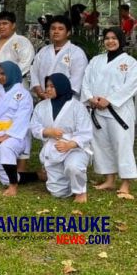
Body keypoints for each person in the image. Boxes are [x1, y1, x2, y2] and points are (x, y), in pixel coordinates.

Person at [80, 28, 137, 198]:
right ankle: (109, 179)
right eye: (107, 38)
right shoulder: (96, 60)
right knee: (101, 145)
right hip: (98, 109)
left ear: (121, 40)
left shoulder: (131, 62)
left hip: (119, 112)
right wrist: (91, 98)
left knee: (122, 145)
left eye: (114, 38)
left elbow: (131, 85)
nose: (110, 41)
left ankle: (126, 183)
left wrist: (110, 100)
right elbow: (86, 81)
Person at [31, 73, 93, 203]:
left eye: (52, 86)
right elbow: (34, 127)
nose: (48, 89)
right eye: (47, 86)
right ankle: (69, 182)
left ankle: (81, 192)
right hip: (53, 148)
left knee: (74, 166)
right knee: (57, 193)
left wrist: (70, 144)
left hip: (75, 148)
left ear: (61, 86)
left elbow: (85, 132)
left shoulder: (77, 107)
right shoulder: (41, 106)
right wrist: (47, 131)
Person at [0, 61, 35, 197]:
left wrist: (6, 136)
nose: (0, 77)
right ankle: (35, 176)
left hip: (16, 135)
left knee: (5, 148)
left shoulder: (23, 94)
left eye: (3, 74)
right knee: (4, 178)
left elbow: (22, 118)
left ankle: (13, 186)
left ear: (12, 73)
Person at [0, 11, 35, 99]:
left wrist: (1, 77)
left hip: (13, 88)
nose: (1, 27)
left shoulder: (22, 41)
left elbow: (25, 64)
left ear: (13, 25)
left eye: (5, 23)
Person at [30, 15, 88, 99]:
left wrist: (55, 95)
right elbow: (34, 73)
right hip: (44, 98)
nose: (56, 31)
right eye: (53, 29)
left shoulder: (76, 53)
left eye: (60, 29)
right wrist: (41, 93)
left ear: (68, 32)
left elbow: (77, 79)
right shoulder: (43, 51)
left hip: (67, 100)